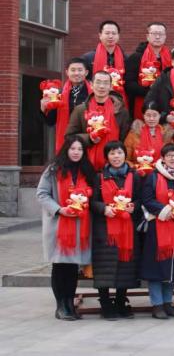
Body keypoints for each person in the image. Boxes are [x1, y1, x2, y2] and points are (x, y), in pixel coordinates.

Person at [37, 137, 98, 321]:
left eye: (80, 149)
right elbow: (42, 194)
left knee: (72, 267)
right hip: (59, 225)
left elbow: (94, 194)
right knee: (60, 266)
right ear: (66, 150)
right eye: (72, 148)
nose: (76, 152)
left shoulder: (87, 170)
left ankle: (70, 303)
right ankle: (60, 306)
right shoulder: (53, 170)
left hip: (80, 226)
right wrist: (59, 209)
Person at [91, 141, 144, 320]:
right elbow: (92, 202)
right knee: (104, 265)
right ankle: (105, 303)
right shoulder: (99, 177)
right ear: (107, 157)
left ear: (125, 155)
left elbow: (140, 199)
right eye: (112, 153)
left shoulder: (134, 176)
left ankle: (121, 301)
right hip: (105, 229)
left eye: (119, 153)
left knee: (125, 266)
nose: (116, 156)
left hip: (127, 229)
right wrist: (104, 208)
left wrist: (134, 206)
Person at [139, 144, 174, 319]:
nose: (173, 158)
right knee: (157, 267)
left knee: (172, 266)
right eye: (169, 156)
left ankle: (168, 303)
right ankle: (157, 305)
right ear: (162, 158)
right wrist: (165, 210)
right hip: (158, 226)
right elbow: (146, 199)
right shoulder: (153, 176)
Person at [64, 71, 131, 170]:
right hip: (86, 163)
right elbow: (69, 137)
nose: (101, 86)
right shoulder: (80, 110)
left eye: (105, 83)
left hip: (113, 164)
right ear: (91, 85)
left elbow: (124, 139)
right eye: (98, 82)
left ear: (110, 87)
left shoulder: (121, 111)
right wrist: (89, 138)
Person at [42, 58, 92, 153]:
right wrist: (43, 108)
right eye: (73, 70)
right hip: (66, 139)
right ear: (67, 72)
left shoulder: (93, 93)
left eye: (80, 70)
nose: (76, 73)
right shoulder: (58, 94)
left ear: (86, 72)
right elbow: (50, 121)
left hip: (87, 139)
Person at [125, 22, 172, 118]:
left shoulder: (171, 57)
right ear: (147, 36)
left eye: (161, 34)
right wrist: (152, 92)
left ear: (165, 37)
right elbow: (129, 84)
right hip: (142, 101)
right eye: (154, 34)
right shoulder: (136, 57)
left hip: (166, 104)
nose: (158, 37)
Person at [80, 20, 127, 101]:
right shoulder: (88, 58)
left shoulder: (125, 58)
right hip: (94, 99)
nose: (110, 36)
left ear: (118, 36)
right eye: (107, 33)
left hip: (118, 100)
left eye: (114, 33)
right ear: (100, 35)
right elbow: (82, 81)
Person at [123, 102, 174, 174]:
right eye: (148, 115)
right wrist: (135, 168)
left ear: (159, 116)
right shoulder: (134, 133)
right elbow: (125, 159)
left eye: (155, 115)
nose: (151, 118)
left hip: (161, 172)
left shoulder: (166, 135)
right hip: (138, 173)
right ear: (143, 116)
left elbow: (172, 156)